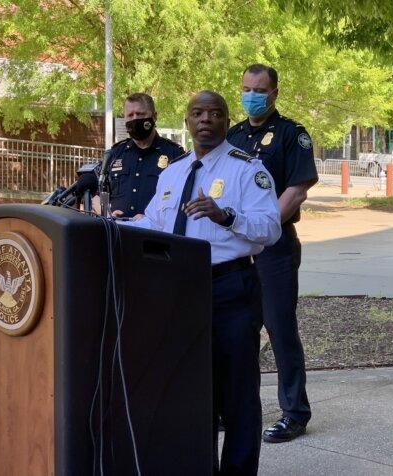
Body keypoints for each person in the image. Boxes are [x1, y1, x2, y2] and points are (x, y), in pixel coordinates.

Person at [126, 91, 281, 475]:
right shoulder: (173, 173)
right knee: (193, 395)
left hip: (231, 290)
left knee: (238, 396)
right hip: (181, 294)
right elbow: (154, 223)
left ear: (227, 122)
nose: (205, 120)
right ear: (186, 121)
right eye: (197, 113)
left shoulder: (247, 169)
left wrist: (225, 215)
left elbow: (271, 229)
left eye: (214, 113)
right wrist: (110, 225)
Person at [227, 64, 318, 443]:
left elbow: (296, 190)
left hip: (274, 248)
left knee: (280, 330)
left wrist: (260, 230)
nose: (252, 95)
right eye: (247, 88)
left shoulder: (290, 134)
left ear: (275, 93)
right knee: (236, 332)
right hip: (232, 250)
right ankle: (233, 408)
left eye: (260, 89)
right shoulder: (231, 135)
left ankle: (294, 412)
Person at [104, 93, 185, 218]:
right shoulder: (115, 154)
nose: (135, 119)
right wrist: (107, 213)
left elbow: (182, 200)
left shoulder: (174, 154)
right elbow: (96, 191)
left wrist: (150, 220)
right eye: (130, 115)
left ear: (154, 116)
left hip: (155, 234)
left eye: (140, 114)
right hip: (118, 233)